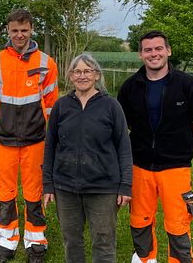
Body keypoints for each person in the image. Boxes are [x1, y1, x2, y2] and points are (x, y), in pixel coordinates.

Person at [116, 31, 193, 263]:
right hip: (139, 165)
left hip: (175, 166)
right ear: (140, 55)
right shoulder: (130, 87)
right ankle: (144, 258)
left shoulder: (188, 86)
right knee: (140, 220)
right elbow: (122, 124)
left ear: (168, 51)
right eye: (148, 50)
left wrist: (178, 137)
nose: (154, 54)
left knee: (178, 223)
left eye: (158, 48)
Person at [0, 9, 59, 263]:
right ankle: (5, 243)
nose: (19, 35)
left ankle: (36, 244)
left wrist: (39, 123)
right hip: (4, 139)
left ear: (31, 30)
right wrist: (0, 119)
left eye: (24, 30)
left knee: (34, 192)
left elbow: (51, 102)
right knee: (5, 192)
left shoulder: (47, 63)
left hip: (35, 140)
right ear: (8, 30)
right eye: (15, 30)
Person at [42, 53, 132, 263]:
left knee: (103, 241)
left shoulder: (111, 106)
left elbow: (124, 148)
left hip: (103, 188)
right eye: (77, 71)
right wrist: (48, 184)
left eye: (87, 71)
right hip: (65, 187)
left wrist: (125, 185)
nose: (82, 76)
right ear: (70, 76)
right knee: (72, 240)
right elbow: (50, 146)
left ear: (97, 75)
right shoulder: (61, 106)